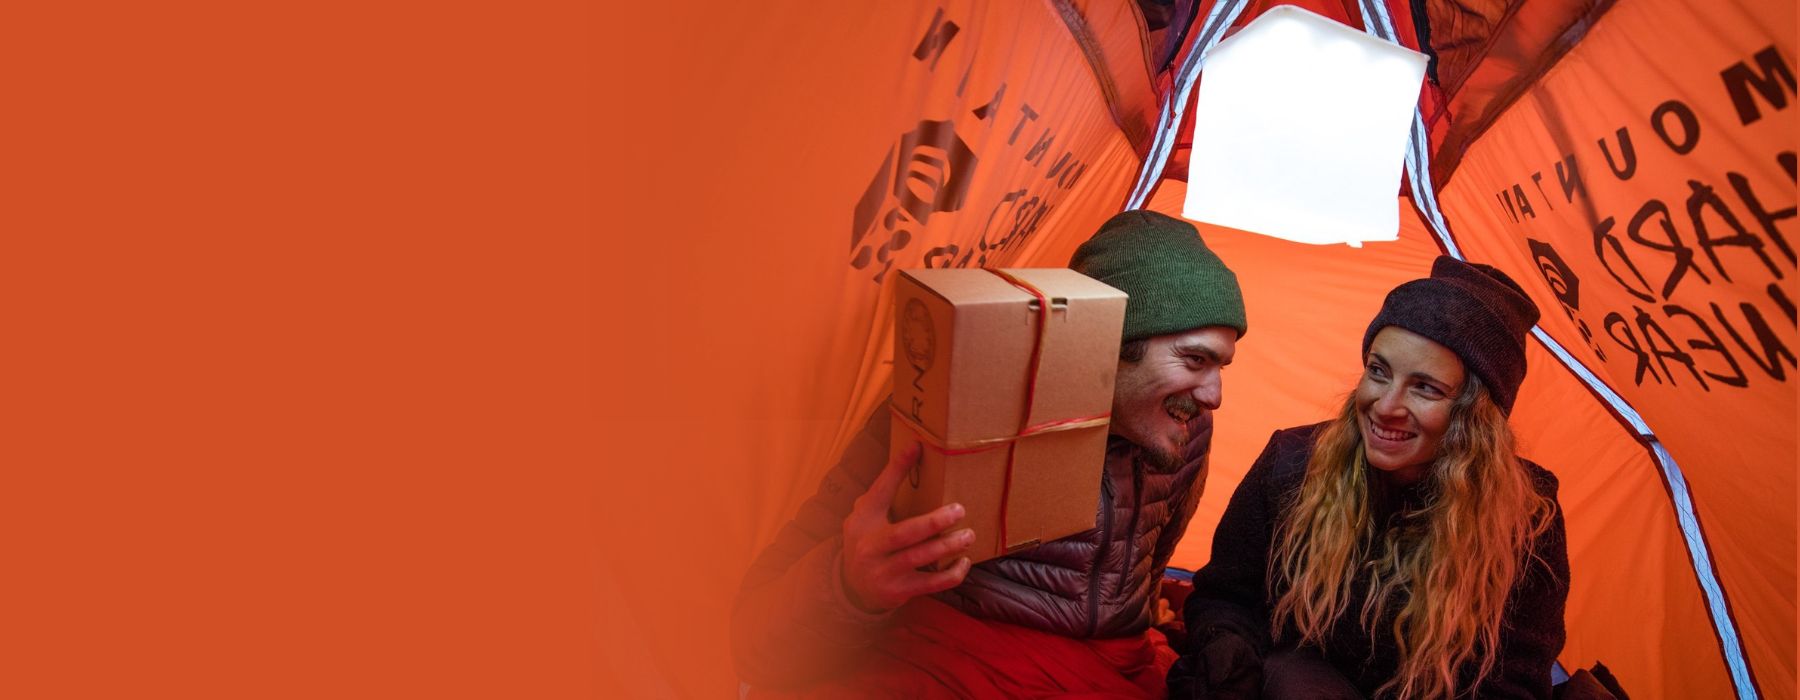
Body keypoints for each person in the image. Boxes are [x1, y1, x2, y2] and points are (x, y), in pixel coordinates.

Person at [731, 211, 1248, 695]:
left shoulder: (1187, 430)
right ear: (1111, 342)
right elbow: (756, 639)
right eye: (1194, 359)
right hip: (963, 655)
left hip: (1116, 663)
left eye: (1221, 366)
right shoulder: (949, 405)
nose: (1214, 396)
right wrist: (850, 584)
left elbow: (1152, 566)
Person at [1168, 256, 1569, 700]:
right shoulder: (1294, 465)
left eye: (1425, 388)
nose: (1385, 405)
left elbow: (1516, 681)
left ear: (1474, 417)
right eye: (1379, 371)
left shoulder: (1525, 519)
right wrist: (1231, 656)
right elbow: (1227, 596)